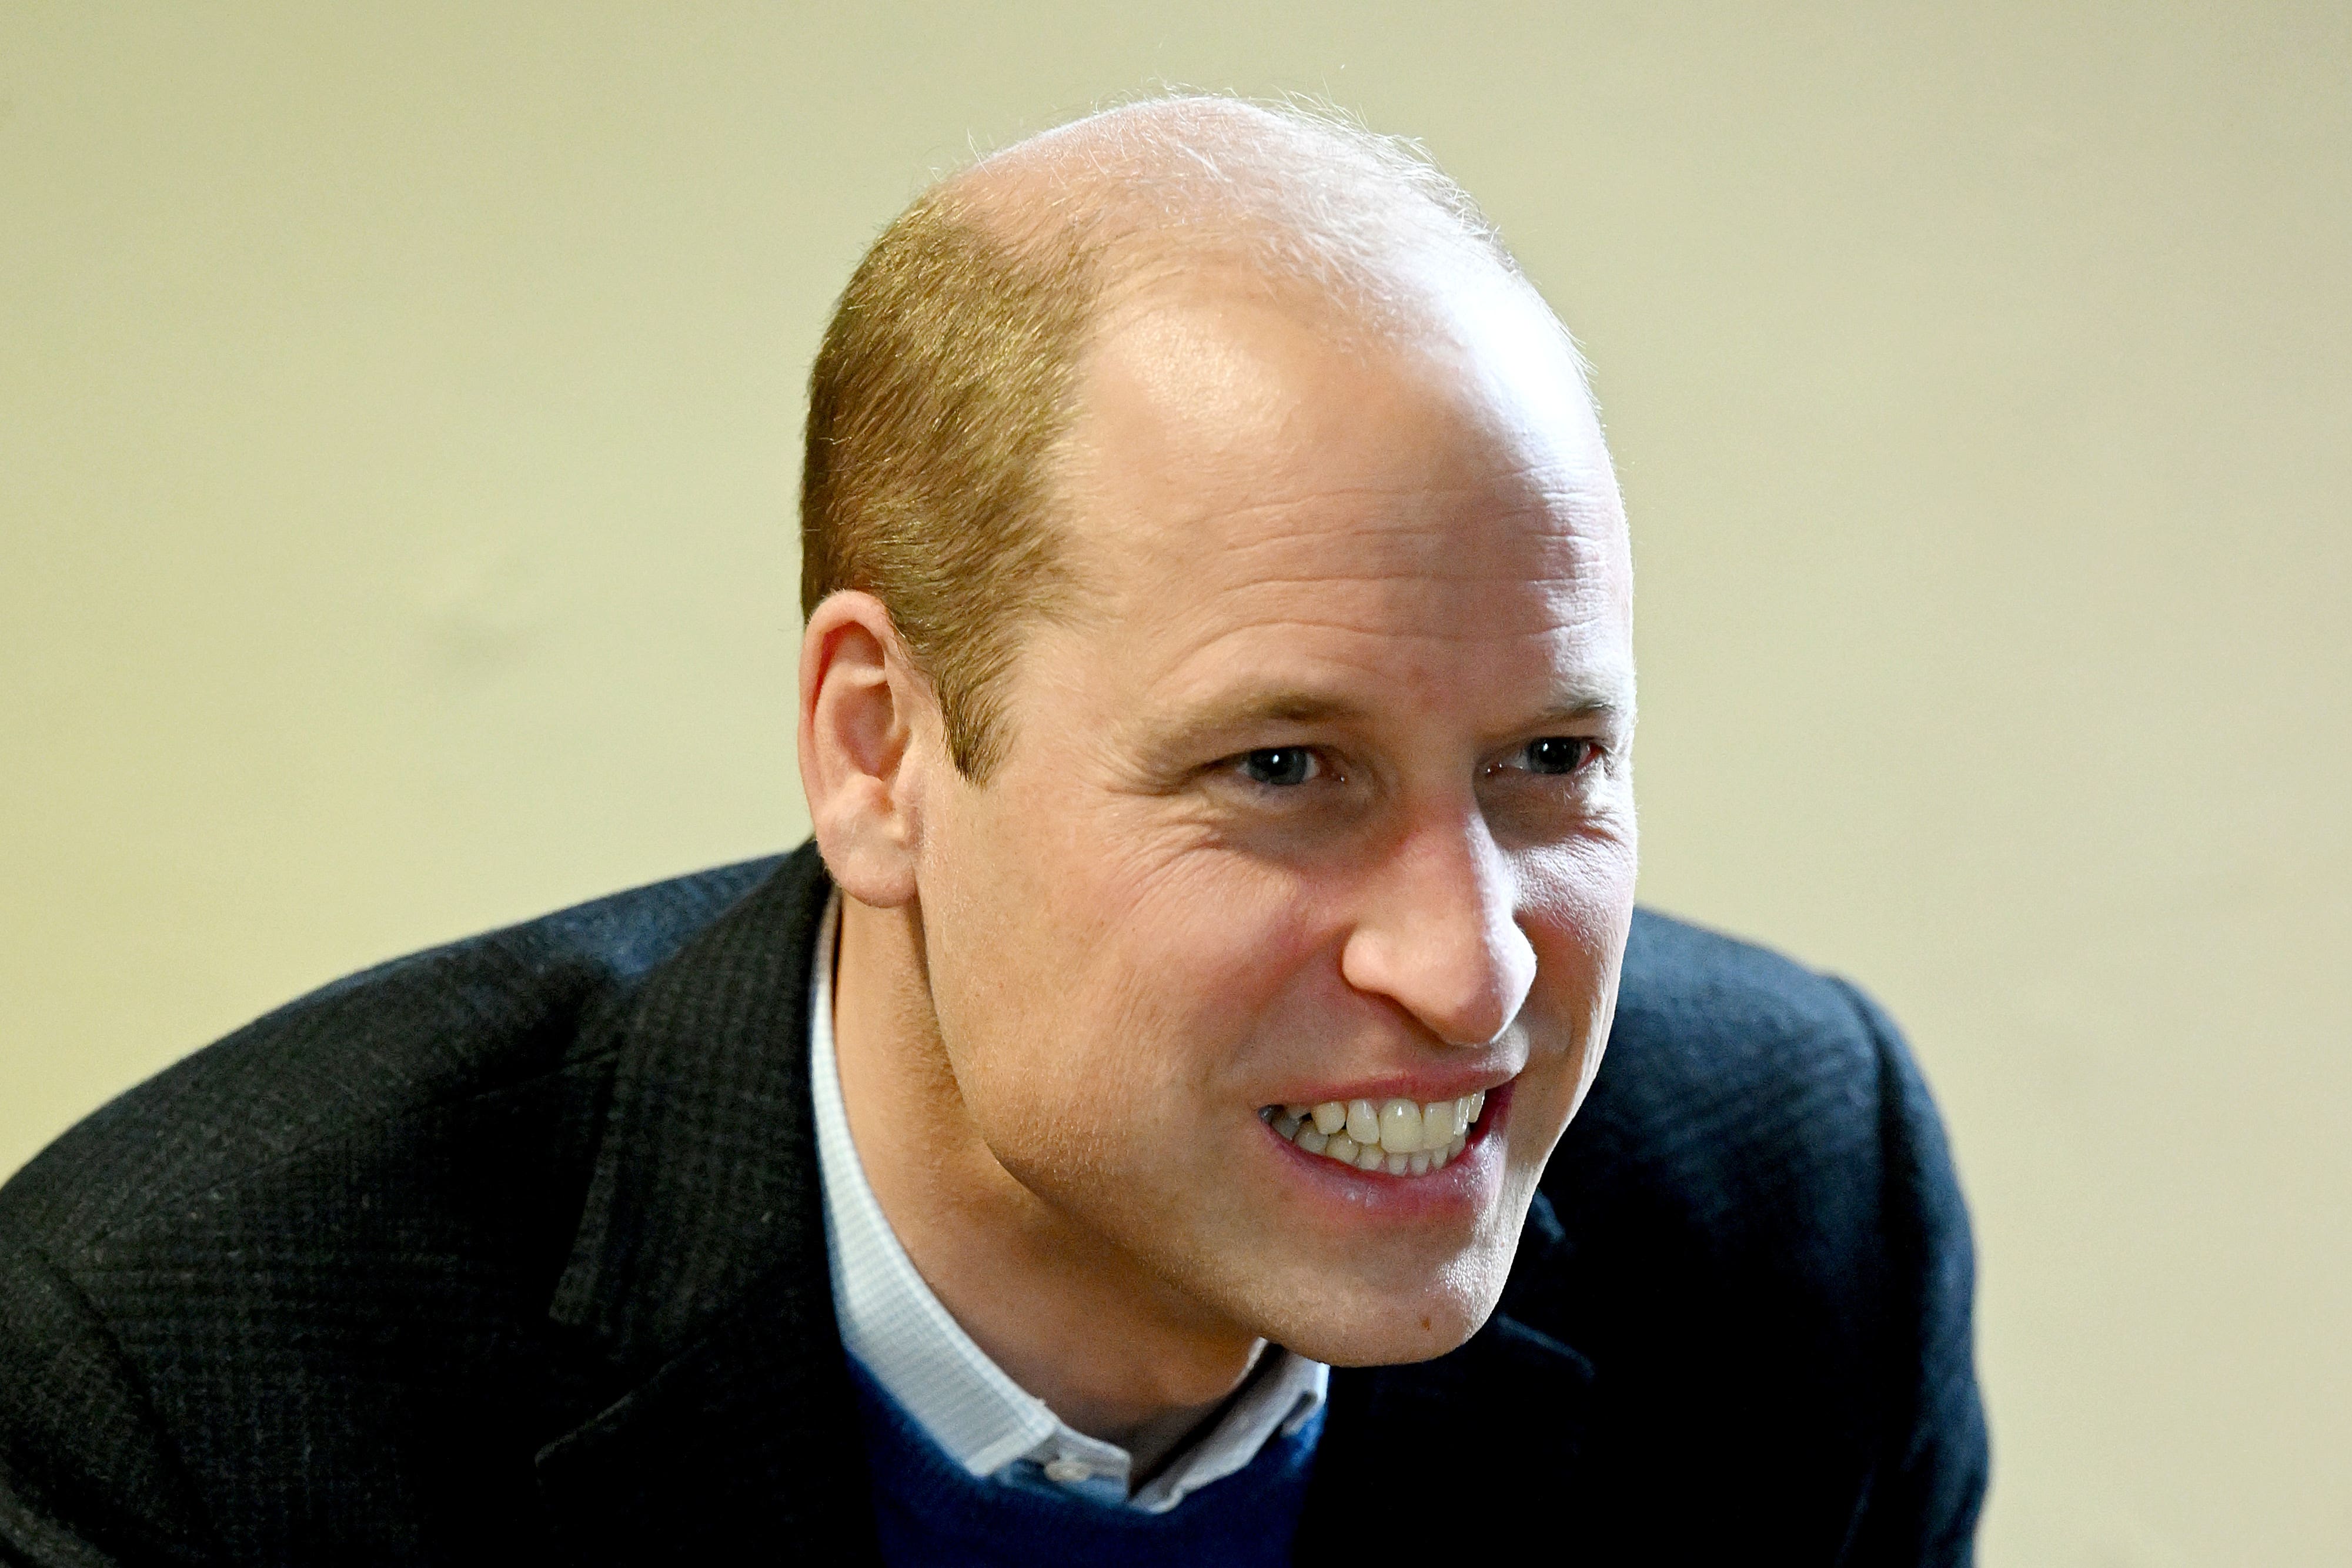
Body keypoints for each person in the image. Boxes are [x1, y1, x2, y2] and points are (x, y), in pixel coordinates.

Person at [0, 96, 1986, 1566]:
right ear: (880, 751)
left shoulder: (1791, 1217)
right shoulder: (183, 1388)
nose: (1469, 970)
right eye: (1283, 771)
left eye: (1550, 763)